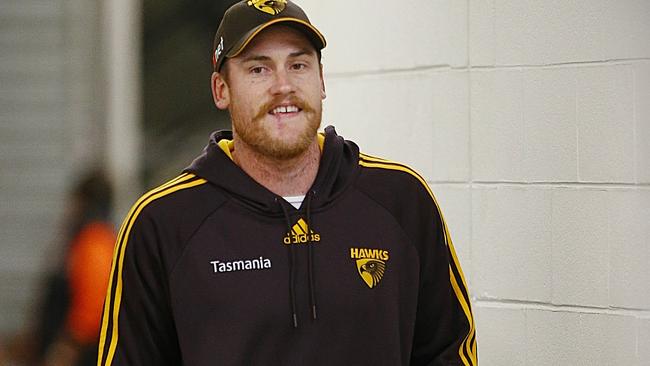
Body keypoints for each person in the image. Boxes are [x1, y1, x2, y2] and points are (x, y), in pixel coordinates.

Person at [97, 1, 477, 365]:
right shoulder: (162, 223)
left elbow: (450, 350)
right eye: (258, 70)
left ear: (322, 80)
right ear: (220, 90)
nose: (283, 86)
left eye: (298, 65)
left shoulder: (401, 199)